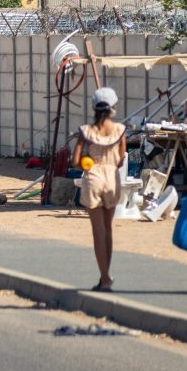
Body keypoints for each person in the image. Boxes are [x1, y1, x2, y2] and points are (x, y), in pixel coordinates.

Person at [72, 86, 126, 291]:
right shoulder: (120, 130)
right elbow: (121, 159)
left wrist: (88, 163)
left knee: (98, 231)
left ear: (94, 107)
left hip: (93, 175)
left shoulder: (86, 131)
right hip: (112, 177)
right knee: (109, 229)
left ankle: (104, 278)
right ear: (114, 106)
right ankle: (107, 274)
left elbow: (75, 160)